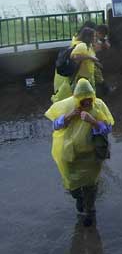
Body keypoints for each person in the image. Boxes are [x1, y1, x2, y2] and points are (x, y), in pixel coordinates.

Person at [45, 78, 114, 227]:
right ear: (77, 98)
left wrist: (94, 121)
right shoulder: (67, 106)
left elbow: (108, 128)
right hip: (70, 157)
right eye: (84, 101)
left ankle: (89, 211)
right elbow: (55, 126)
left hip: (91, 158)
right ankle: (78, 198)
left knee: (90, 185)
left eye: (89, 99)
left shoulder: (98, 106)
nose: (88, 103)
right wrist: (69, 116)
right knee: (73, 184)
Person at [52, 27, 102, 103]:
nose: (95, 38)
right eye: (93, 36)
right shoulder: (82, 45)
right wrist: (90, 57)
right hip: (80, 77)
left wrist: (95, 61)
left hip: (86, 77)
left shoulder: (88, 46)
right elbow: (74, 56)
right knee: (79, 97)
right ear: (88, 37)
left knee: (84, 97)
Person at [94, 24, 111, 94]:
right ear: (99, 32)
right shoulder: (92, 37)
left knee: (98, 74)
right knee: (98, 75)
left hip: (93, 59)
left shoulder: (99, 38)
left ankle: (106, 90)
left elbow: (108, 46)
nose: (104, 36)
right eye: (103, 35)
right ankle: (106, 90)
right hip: (89, 59)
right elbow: (96, 49)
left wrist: (103, 41)